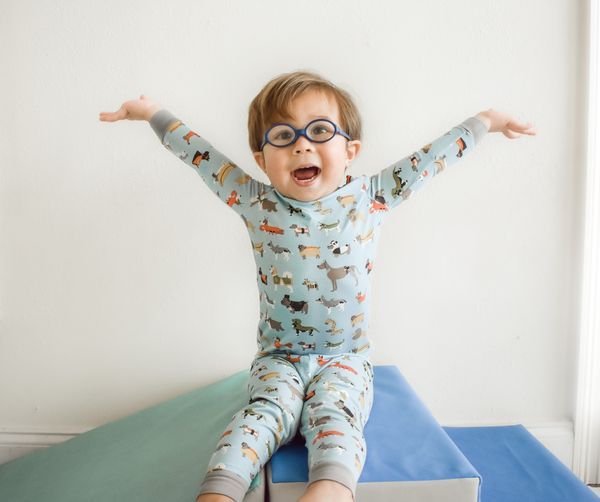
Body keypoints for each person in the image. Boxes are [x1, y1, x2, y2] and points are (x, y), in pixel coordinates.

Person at [99, 70, 536, 502]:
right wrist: (151, 113)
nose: (302, 144)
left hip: (346, 360)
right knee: (262, 415)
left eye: (320, 131)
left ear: (351, 150)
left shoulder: (372, 197)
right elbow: (199, 155)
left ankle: (329, 491)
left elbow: (431, 159)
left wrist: (486, 121)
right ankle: (218, 493)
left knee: (336, 416)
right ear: (260, 158)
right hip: (278, 359)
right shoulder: (255, 202)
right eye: (283, 136)